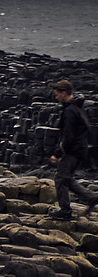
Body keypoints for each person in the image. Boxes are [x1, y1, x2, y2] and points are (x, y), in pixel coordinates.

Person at [53, 77, 92, 221]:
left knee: (60, 178)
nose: (56, 97)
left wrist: (58, 153)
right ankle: (92, 197)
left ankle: (65, 211)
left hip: (73, 150)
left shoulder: (70, 111)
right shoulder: (78, 108)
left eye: (57, 94)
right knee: (67, 179)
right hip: (80, 149)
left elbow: (68, 135)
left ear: (64, 92)